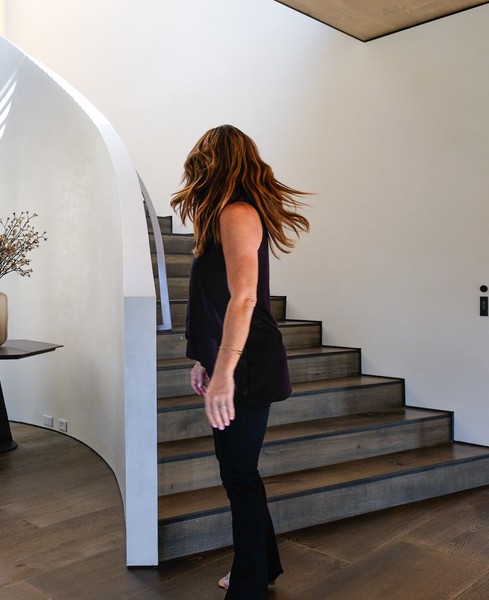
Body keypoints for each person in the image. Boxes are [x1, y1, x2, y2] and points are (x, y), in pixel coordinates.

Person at [170, 125, 310, 599]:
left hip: (249, 362)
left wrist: (225, 372)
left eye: (199, 164)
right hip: (236, 357)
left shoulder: (237, 213)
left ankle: (250, 582)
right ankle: (262, 564)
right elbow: (213, 300)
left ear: (214, 164)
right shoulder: (227, 217)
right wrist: (202, 360)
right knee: (240, 472)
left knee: (239, 475)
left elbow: (244, 297)